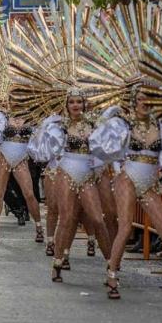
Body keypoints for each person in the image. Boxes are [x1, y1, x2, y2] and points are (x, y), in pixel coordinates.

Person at [99, 89, 162, 299]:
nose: (144, 103)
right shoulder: (124, 125)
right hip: (127, 178)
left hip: (149, 183)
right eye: (140, 99)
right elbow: (106, 144)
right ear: (133, 102)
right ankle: (112, 274)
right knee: (126, 227)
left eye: (149, 99)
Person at [30, 89, 118, 283]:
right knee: (67, 218)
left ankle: (111, 267)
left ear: (84, 104)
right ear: (67, 105)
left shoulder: (93, 124)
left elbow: (103, 148)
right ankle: (57, 263)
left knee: (97, 218)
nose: (76, 105)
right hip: (66, 172)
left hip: (87, 175)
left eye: (79, 101)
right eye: (72, 102)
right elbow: (45, 149)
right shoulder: (59, 125)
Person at [0, 105, 45, 243]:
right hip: (3, 155)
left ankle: (39, 227)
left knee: (29, 194)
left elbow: (38, 138)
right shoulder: (2, 116)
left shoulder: (30, 117)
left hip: (21, 158)